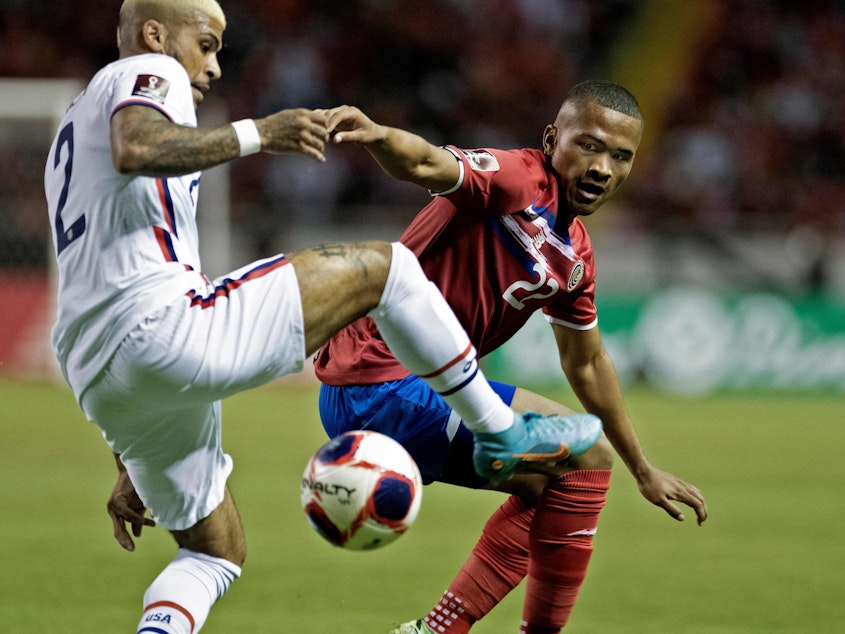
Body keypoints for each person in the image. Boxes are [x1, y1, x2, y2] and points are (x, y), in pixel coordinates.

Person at [43, 2, 604, 633]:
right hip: (166, 324)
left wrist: (129, 452)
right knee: (387, 269)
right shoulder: (149, 73)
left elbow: (109, 290)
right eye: (206, 44)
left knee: (212, 552)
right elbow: (137, 147)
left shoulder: (75, 119)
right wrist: (263, 133)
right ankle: (500, 428)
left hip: (99, 374)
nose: (213, 66)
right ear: (155, 35)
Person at [314, 82, 709, 634]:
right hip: (382, 382)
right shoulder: (518, 179)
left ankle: (439, 628)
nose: (603, 168)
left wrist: (644, 470)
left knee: (556, 485)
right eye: (589, 146)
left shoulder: (575, 256)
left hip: (399, 388)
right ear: (552, 139)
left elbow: (588, 363)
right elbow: (429, 164)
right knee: (586, 455)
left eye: (621, 157)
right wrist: (379, 136)